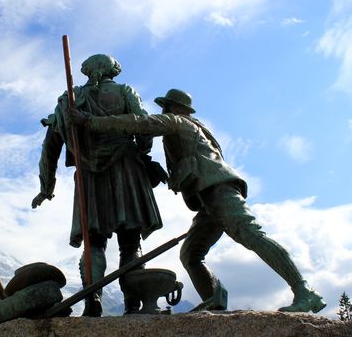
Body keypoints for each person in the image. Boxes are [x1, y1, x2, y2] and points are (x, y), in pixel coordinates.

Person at [67, 88, 326, 313]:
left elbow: (139, 123)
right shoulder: (195, 129)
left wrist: (91, 121)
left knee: (251, 234)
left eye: (166, 107)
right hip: (207, 200)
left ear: (173, 108)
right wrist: (168, 175)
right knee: (191, 254)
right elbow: (191, 164)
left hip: (217, 190)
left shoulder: (177, 123)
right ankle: (213, 299)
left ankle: (304, 290)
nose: (164, 111)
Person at [32, 54, 165, 316]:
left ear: (87, 71)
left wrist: (46, 188)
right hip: (127, 168)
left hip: (89, 176)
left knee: (94, 243)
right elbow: (145, 128)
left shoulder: (69, 101)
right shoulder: (126, 92)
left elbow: (50, 148)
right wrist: (143, 150)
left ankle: (93, 298)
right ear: (112, 71)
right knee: (130, 242)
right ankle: (133, 304)